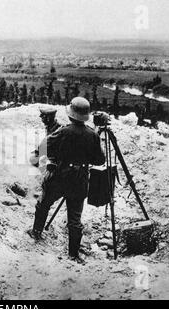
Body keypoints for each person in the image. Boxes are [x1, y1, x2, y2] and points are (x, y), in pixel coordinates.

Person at [28, 97, 105, 264]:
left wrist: (41, 161)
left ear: (70, 115)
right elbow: (100, 160)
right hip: (80, 181)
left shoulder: (63, 132)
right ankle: (73, 254)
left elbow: (41, 150)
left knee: (44, 204)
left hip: (60, 178)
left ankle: (36, 232)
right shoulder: (92, 135)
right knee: (75, 219)